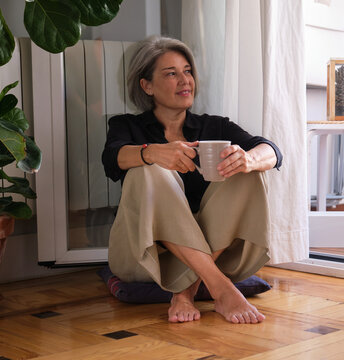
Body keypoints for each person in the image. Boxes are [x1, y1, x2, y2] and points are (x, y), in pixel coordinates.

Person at [102, 36, 282, 324]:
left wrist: (248, 160)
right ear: (146, 85)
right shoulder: (127, 127)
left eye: (187, 71)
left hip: (222, 255)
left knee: (243, 170)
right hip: (147, 259)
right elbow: (113, 158)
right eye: (171, 74)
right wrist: (153, 153)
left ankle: (186, 290)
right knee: (147, 170)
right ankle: (221, 288)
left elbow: (271, 150)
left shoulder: (216, 126)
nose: (185, 80)